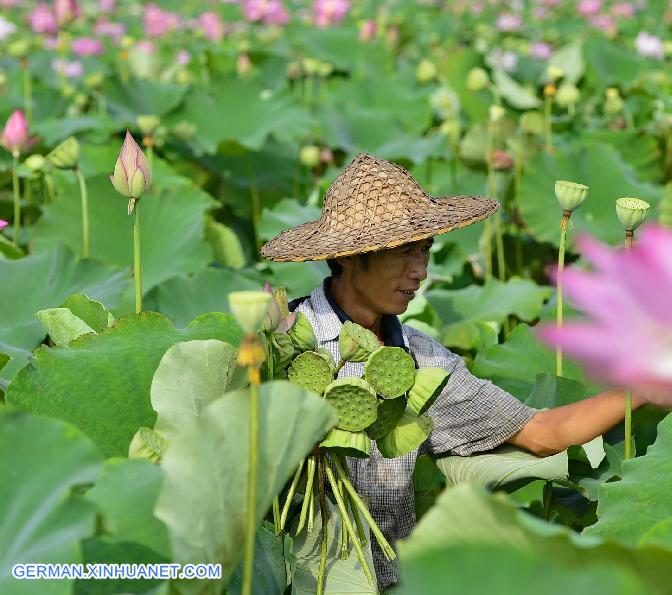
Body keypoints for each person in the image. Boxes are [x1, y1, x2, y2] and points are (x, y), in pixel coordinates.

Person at [260, 152, 643, 591]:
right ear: (349, 257)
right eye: (404, 251)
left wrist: (643, 389)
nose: (420, 271)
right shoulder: (278, 346)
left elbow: (540, 432)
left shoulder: (422, 362)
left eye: (425, 250)